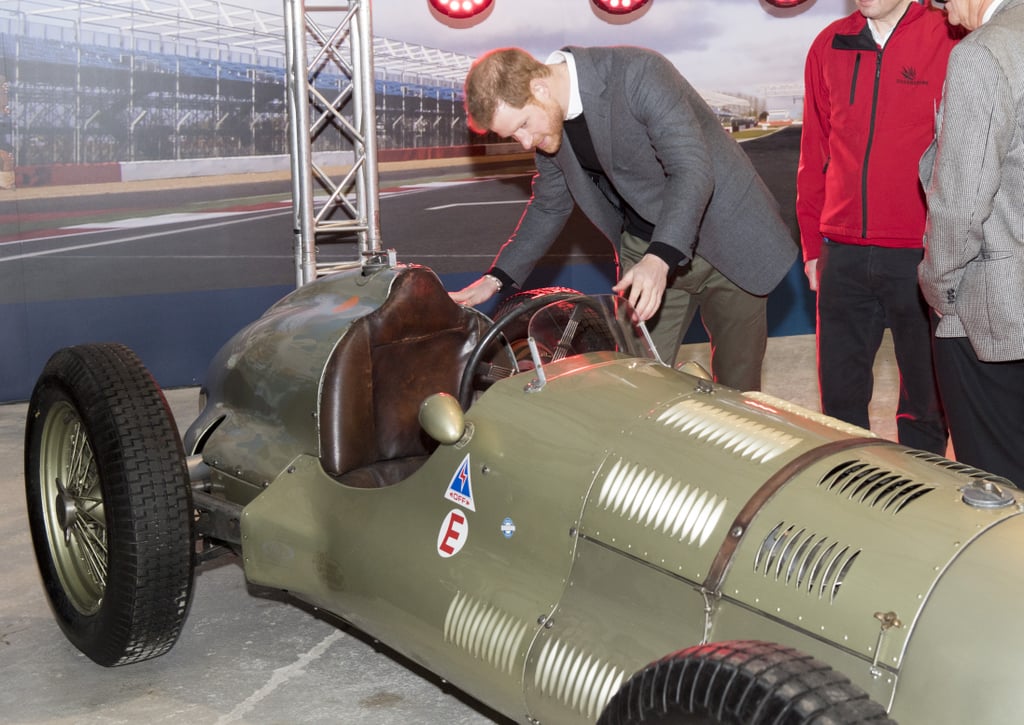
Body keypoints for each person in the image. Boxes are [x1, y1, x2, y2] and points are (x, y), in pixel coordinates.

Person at [449, 46, 797, 391]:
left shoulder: (638, 72)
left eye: (523, 125)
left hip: (726, 232)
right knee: (635, 384)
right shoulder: (548, 123)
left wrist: (660, 258)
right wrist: (495, 279)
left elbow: (690, 169)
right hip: (644, 246)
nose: (525, 143)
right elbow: (549, 206)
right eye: (514, 136)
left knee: (738, 388)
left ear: (540, 87)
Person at [796, 0, 956, 454]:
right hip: (841, 252)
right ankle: (846, 500)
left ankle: (921, 500)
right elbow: (814, 153)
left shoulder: (948, 38)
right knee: (839, 402)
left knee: (927, 403)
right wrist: (811, 245)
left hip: (920, 253)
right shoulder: (828, 44)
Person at [918, 0, 1024, 485]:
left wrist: (940, 293)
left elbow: (960, 202)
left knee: (999, 488)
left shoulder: (981, 54)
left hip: (995, 311)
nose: (938, 4)